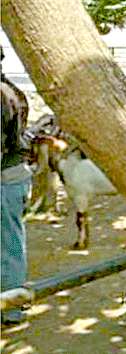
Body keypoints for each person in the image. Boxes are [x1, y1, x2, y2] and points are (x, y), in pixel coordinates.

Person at [1, 69, 32, 326]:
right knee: (11, 245)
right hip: (14, 176)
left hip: (5, 179)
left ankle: (11, 310)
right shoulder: (12, 90)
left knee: (8, 247)